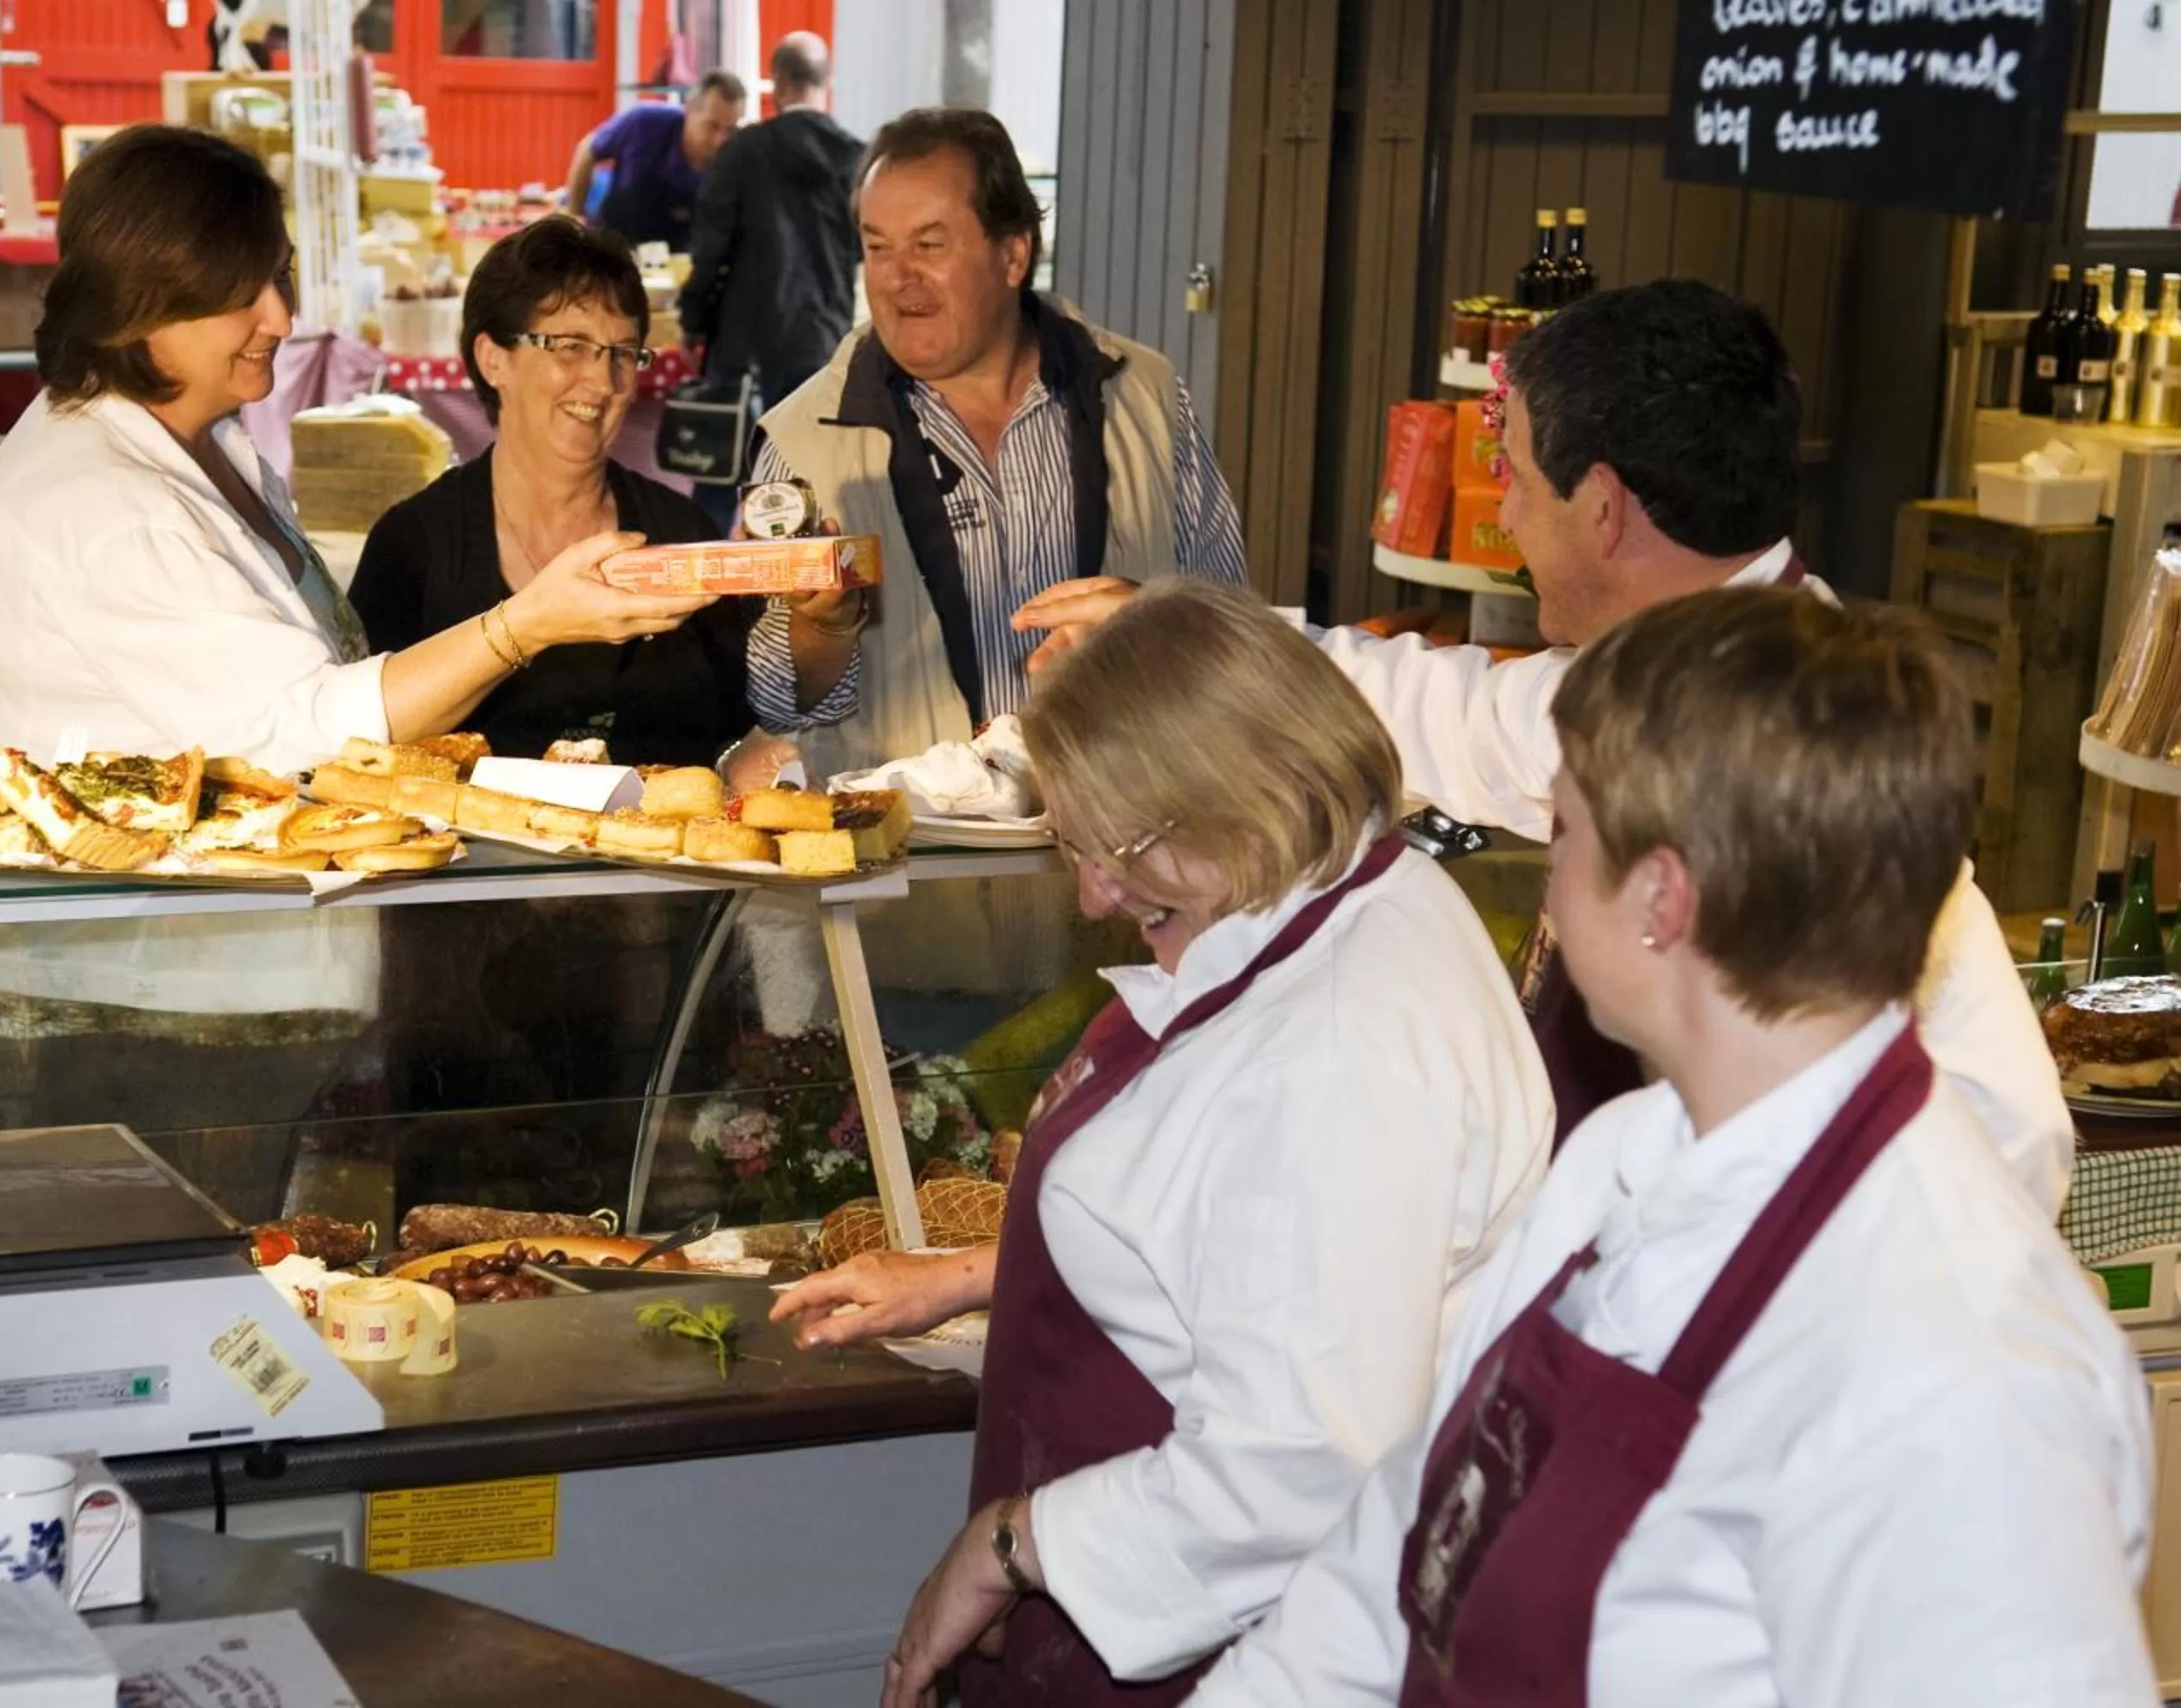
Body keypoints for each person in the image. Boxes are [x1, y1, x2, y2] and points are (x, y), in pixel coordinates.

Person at [1190, 588, 2157, 1707]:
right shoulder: (1625, 1158)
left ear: (1661, 897)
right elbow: (1399, 1560)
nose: (1548, 875)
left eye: (1565, 830)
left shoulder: (1964, 1373)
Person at [1017, 279, 2073, 1216]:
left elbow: (2013, 1135)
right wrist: (1190, 648)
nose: (1507, 513)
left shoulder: (1799, 730)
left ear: (1604, 508)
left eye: (1515, 477)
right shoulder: (1658, 671)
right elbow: (1446, 708)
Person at [775, 582, 1553, 1706]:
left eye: (1115, 844)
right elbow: (1238, 1238)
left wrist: (1011, 1546)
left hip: (1218, 1657)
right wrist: (968, 1275)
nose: (1093, 893)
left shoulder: (1339, 1046)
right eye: (1070, 840)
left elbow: (1302, 1463)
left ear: (1239, 796)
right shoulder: (1339, 898)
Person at [0, 123, 679, 776]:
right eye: (242, 292)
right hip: (138, 915)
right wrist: (527, 623)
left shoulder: (205, 442)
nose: (281, 316)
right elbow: (304, 728)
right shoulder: (110, 509)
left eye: (280, 274)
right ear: (140, 304)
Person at [744, 107, 1248, 776]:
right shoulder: (801, 436)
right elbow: (781, 703)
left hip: (1123, 837)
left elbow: (1232, 629)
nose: (898, 279)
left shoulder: (1144, 396)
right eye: (877, 246)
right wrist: (824, 623)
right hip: (912, 860)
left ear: (1012, 254)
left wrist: (1149, 624)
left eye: (929, 246)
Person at [348, 219, 750, 764]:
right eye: (571, 347)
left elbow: (742, 732)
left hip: (655, 851)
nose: (604, 382)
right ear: (494, 360)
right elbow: (362, 746)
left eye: (623, 353)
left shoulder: (682, 535)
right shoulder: (413, 547)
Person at [679, 32, 864, 408]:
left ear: (776, 84)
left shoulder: (741, 151)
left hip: (745, 349)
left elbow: (711, 250)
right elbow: (867, 248)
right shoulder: (858, 160)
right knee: (812, 463)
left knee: (743, 461)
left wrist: (692, 319)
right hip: (826, 344)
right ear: (826, 84)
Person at [563, 72, 746, 252]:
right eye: (712, 126)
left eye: (730, 130)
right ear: (689, 108)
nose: (720, 140)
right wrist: (575, 217)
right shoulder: (644, 123)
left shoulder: (737, 162)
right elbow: (587, 151)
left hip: (678, 262)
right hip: (614, 247)